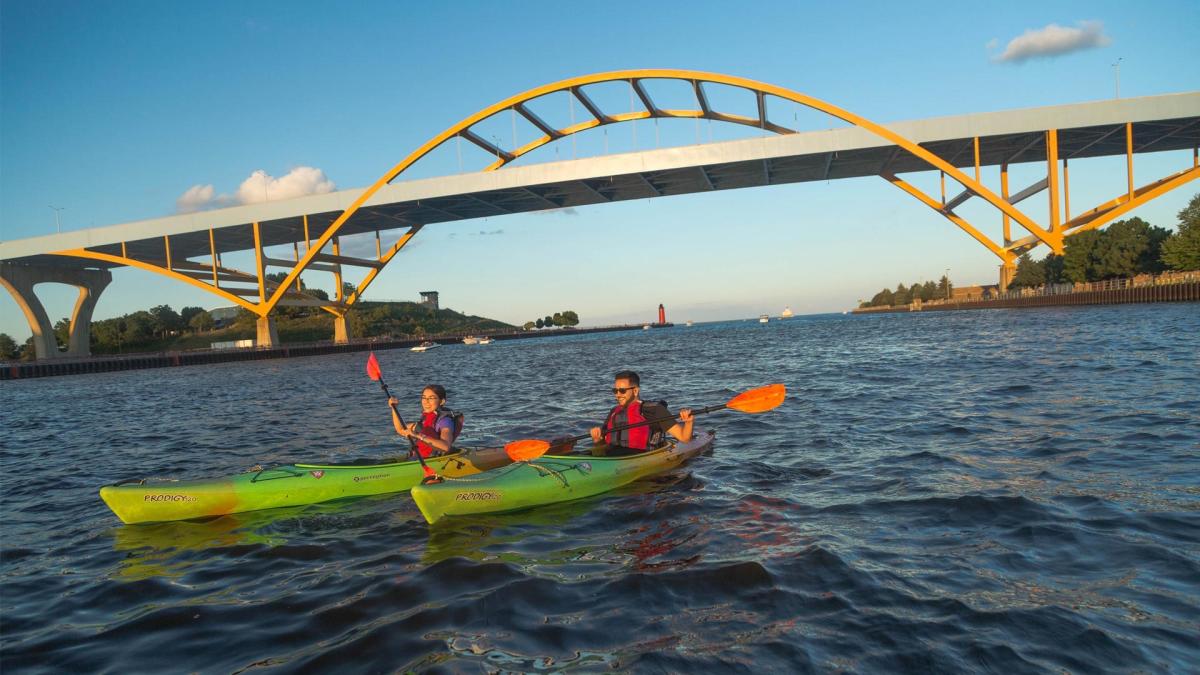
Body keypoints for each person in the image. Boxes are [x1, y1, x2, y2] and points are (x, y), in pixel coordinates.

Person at [589, 370, 692, 456]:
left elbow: (684, 437)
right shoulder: (614, 412)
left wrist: (688, 422)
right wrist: (597, 440)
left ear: (635, 391)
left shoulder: (654, 410)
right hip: (612, 456)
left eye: (622, 391)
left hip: (640, 457)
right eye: (615, 391)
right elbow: (601, 445)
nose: (618, 395)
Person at [388, 384, 462, 458]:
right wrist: (394, 408)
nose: (426, 402)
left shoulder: (445, 421)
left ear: (442, 401)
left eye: (431, 398)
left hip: (434, 460)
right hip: (417, 459)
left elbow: (445, 447)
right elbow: (401, 429)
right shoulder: (425, 419)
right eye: (424, 398)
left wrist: (417, 435)